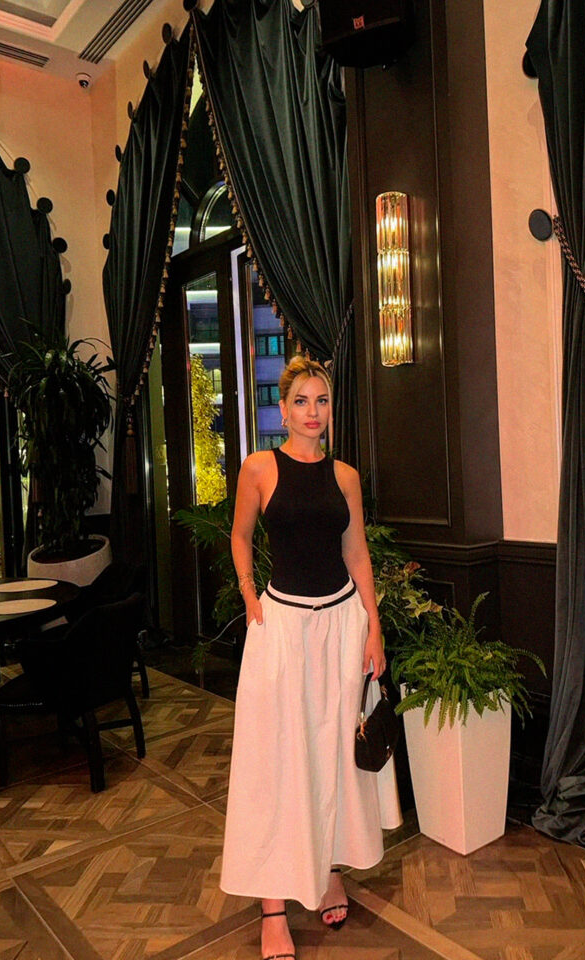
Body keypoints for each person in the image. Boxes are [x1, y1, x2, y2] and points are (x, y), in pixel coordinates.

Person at [219, 356, 400, 960]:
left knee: (335, 754)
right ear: (282, 409)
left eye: (321, 400)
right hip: (282, 627)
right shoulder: (259, 468)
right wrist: (249, 595)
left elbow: (358, 553)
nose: (312, 411)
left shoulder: (345, 476)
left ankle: (328, 870)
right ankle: (273, 908)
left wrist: (374, 628)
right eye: (301, 400)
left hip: (343, 625)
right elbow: (240, 535)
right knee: (276, 760)